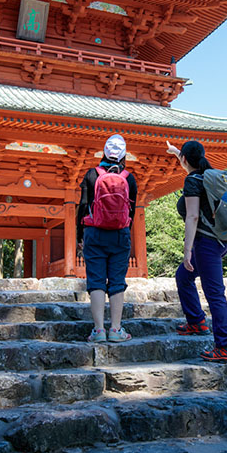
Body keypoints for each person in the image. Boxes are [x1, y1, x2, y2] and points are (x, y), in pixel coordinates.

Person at [167, 139, 227, 362]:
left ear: (185, 161)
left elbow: (193, 216)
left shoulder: (192, 180)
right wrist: (177, 152)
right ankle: (196, 321)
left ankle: (226, 346)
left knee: (215, 294)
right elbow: (190, 159)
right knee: (183, 276)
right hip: (222, 240)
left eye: (182, 157)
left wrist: (187, 250)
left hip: (206, 243)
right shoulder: (209, 175)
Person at [77, 134, 138, 343]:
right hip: (120, 234)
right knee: (117, 281)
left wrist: (80, 235)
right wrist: (124, 231)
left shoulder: (92, 175)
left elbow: (83, 206)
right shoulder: (129, 178)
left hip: (94, 232)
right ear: (123, 155)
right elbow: (132, 211)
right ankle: (116, 329)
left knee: (96, 280)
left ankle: (99, 330)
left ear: (104, 152)